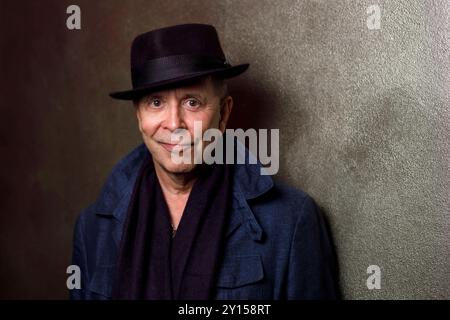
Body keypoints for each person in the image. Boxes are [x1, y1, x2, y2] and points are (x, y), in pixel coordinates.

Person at [70, 23, 338, 300]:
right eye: (156, 102)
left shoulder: (290, 221)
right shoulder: (92, 228)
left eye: (192, 102)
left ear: (223, 114)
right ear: (139, 115)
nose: (174, 124)